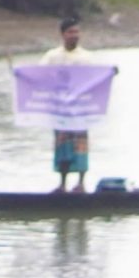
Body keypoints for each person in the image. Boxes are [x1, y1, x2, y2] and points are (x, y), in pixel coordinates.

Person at [39, 18, 108, 194]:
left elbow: (97, 79)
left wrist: (110, 73)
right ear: (63, 34)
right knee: (63, 147)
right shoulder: (52, 56)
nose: (74, 36)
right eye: (71, 32)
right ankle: (62, 184)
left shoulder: (87, 57)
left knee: (80, 147)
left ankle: (81, 183)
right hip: (61, 111)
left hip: (80, 111)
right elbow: (38, 75)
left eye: (77, 32)